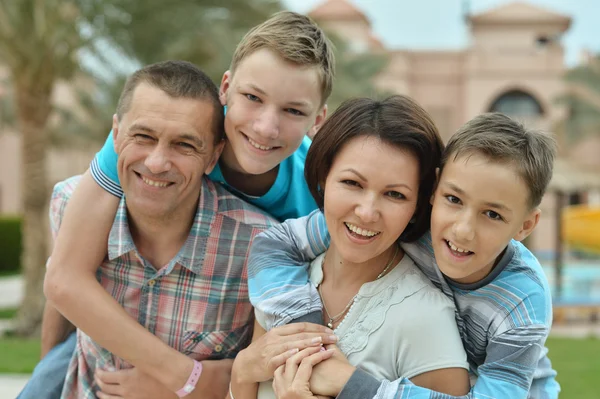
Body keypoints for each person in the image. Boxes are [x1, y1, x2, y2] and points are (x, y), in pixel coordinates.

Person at [21, 11, 334, 399]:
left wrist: (196, 384)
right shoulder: (167, 130)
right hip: (111, 331)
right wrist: (183, 376)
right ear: (226, 88)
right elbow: (66, 275)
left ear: (318, 119)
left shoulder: (318, 197)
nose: (265, 127)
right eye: (252, 98)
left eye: (293, 111)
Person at [246, 112, 560, 399]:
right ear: (434, 189)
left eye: (492, 214)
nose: (463, 230)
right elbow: (273, 245)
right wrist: (308, 334)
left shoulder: (523, 304)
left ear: (526, 225)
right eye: (453, 199)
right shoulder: (404, 223)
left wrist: (352, 384)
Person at [230, 96, 471, 399]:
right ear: (323, 177)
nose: (367, 212)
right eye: (352, 183)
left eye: (395, 194)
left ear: (418, 205)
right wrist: (241, 372)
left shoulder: (426, 318)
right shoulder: (283, 282)